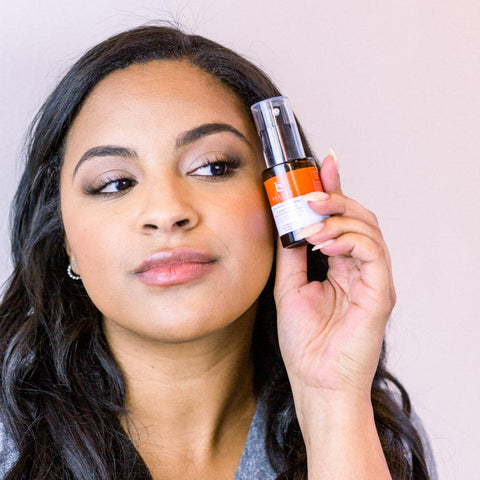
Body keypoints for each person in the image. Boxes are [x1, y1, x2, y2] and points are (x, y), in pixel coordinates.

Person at [0, 24, 436, 479]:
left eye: (212, 167)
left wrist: (332, 403)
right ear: (64, 238)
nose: (167, 212)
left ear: (281, 201)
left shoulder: (372, 435)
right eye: (116, 183)